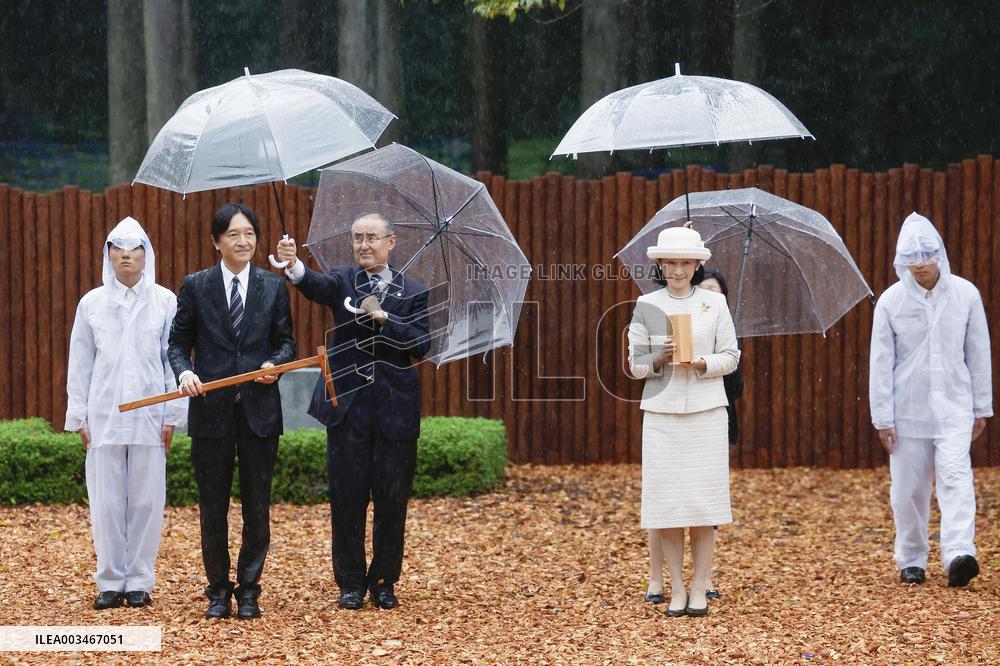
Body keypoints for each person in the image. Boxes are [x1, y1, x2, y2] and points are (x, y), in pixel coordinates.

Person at [275, 212, 430, 610]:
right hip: (347, 409)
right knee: (347, 497)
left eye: (372, 237)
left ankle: (383, 581)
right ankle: (349, 582)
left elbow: (422, 343)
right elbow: (316, 285)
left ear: (391, 243)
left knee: (392, 500)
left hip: (395, 412)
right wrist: (294, 265)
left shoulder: (413, 290)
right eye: (357, 237)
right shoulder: (344, 280)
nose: (364, 244)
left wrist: (387, 318)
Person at [168, 203, 295, 619]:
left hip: (259, 412)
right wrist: (184, 372)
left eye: (250, 235)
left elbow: (286, 342)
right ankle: (219, 590)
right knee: (213, 506)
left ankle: (251, 587)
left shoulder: (274, 287)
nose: (244, 242)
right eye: (234, 234)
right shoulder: (196, 285)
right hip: (211, 411)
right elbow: (176, 343)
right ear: (216, 240)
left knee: (258, 505)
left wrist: (275, 364)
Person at [65, 216, 186, 610]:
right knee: (107, 502)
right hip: (104, 415)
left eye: (135, 250)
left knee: (148, 501)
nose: (127, 257)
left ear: (146, 255)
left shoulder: (166, 301)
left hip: (151, 416)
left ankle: (139, 580)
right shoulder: (93, 304)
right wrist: (79, 415)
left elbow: (174, 361)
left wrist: (172, 414)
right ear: (109, 256)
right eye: (119, 250)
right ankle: (110, 580)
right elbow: (80, 363)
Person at [869, 212, 991, 587]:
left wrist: (981, 407)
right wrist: (882, 417)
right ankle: (911, 557)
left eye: (926, 254)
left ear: (939, 253)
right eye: (911, 256)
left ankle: (958, 553)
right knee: (908, 489)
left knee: (957, 478)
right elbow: (880, 362)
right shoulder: (891, 301)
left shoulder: (965, 294)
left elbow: (978, 351)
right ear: (900, 259)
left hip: (955, 405)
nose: (919, 263)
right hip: (907, 411)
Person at [628, 226, 740, 618]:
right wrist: (660, 358)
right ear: (660, 264)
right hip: (662, 416)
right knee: (669, 506)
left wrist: (702, 363)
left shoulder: (715, 305)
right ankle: (675, 586)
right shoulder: (646, 304)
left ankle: (699, 587)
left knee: (703, 507)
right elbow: (635, 366)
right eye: (670, 263)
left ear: (697, 265)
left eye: (685, 263)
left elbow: (731, 356)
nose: (677, 270)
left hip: (707, 414)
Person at [697, 267, 743, 601]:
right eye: (707, 289)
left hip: (716, 419)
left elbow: (737, 388)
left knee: (709, 501)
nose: (713, 296)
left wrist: (722, 360)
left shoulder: (727, 332)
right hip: (681, 417)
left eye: (719, 291)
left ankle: (705, 576)